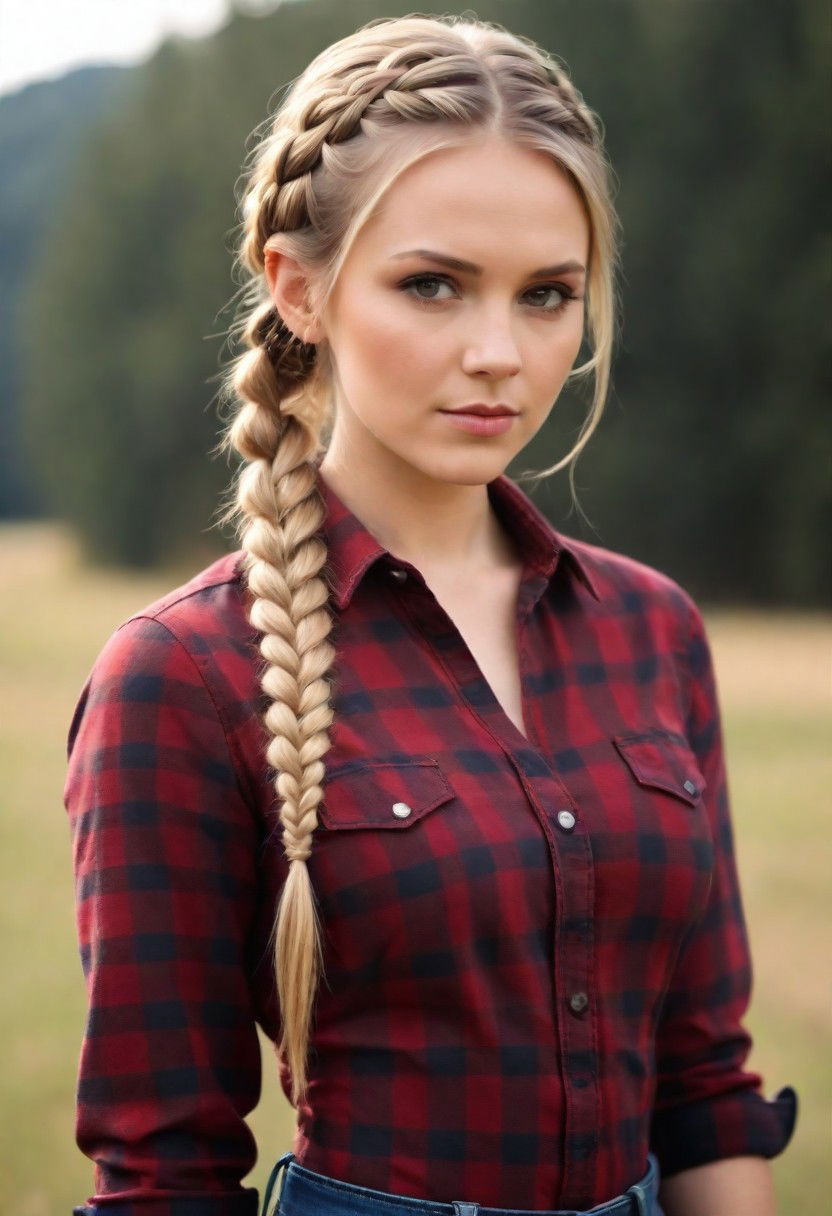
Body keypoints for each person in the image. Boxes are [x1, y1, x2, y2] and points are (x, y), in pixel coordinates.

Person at [63, 13, 798, 1216]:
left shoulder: (651, 631)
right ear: (299, 289)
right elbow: (164, 1178)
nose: (500, 353)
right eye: (433, 286)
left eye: (548, 294)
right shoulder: (183, 676)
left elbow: (705, 1082)